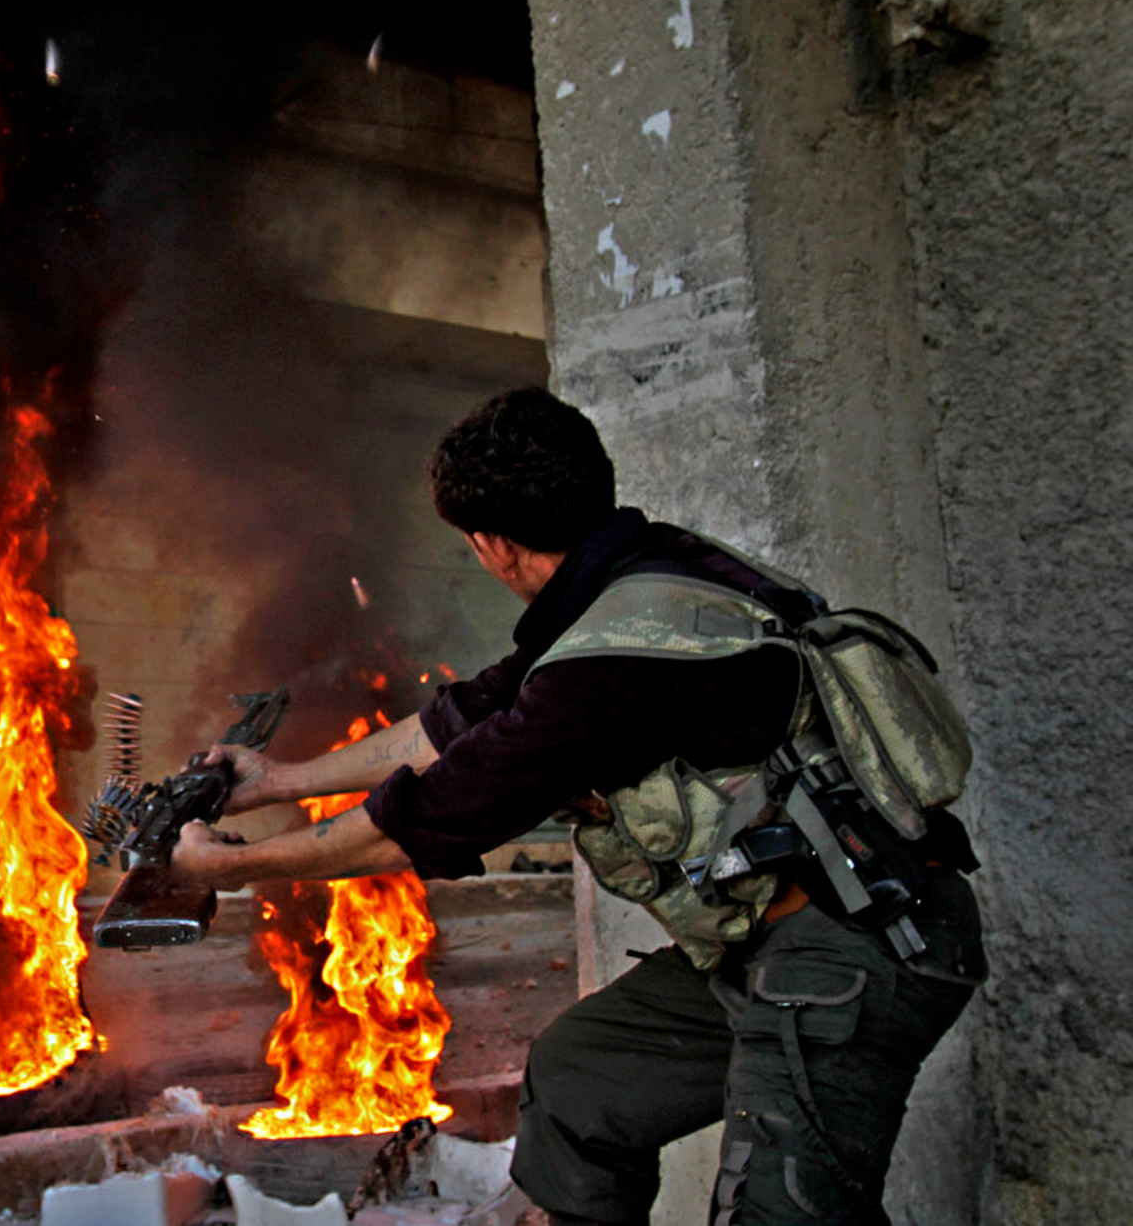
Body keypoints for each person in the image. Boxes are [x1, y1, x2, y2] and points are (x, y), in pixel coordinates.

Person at [168, 388, 985, 1226]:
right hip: (773, 938)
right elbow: (460, 720)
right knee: (581, 1073)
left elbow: (422, 819)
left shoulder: (612, 665)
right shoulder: (646, 579)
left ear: (493, 547)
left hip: (852, 949)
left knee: (784, 1215)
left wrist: (227, 867)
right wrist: (277, 779)